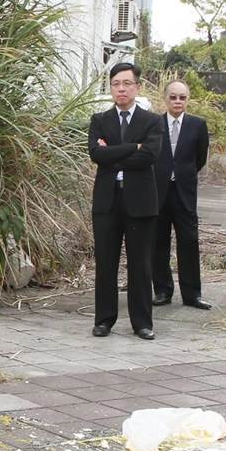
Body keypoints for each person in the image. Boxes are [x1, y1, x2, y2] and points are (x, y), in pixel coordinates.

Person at [88, 62, 163, 340]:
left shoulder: (152, 121)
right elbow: (96, 154)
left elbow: (150, 156)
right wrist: (134, 147)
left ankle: (142, 322)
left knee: (140, 263)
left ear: (137, 87)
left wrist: (114, 153)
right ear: (110, 87)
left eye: (127, 83)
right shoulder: (100, 120)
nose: (121, 88)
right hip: (107, 200)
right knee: (106, 262)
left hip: (140, 200)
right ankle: (104, 320)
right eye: (116, 83)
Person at [152, 80, 211, 310]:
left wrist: (181, 175)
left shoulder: (198, 125)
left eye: (182, 97)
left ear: (188, 99)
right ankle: (162, 291)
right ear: (166, 99)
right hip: (159, 192)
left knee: (189, 242)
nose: (178, 101)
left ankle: (192, 295)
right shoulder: (154, 123)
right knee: (158, 243)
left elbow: (200, 158)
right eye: (173, 97)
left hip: (184, 193)